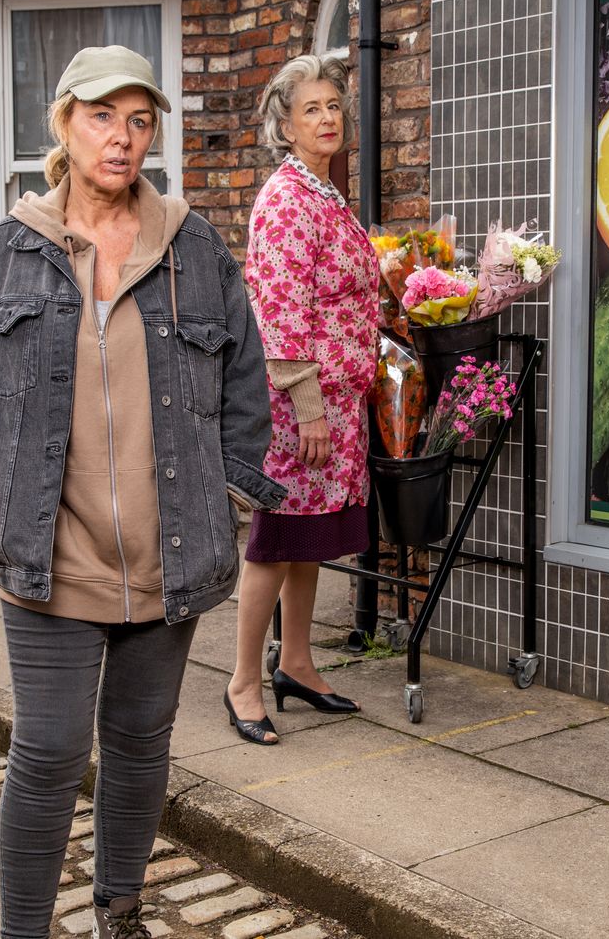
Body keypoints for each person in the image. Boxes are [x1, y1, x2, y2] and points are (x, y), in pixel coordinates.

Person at [0, 45, 283, 939]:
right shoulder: (7, 251)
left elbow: (246, 382)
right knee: (48, 750)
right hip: (50, 553)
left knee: (138, 747)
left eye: (138, 121)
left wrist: (231, 491)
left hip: (169, 555)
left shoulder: (192, 248)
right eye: (102, 117)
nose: (121, 139)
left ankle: (118, 908)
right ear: (63, 123)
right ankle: (24, 930)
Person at [225, 54, 379, 746]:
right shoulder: (287, 200)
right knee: (277, 538)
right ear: (284, 126)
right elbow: (280, 314)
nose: (326, 118)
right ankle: (243, 684)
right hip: (299, 403)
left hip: (338, 398)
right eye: (310, 109)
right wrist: (310, 406)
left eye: (333, 106)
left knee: (310, 537)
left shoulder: (325, 192)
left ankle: (295, 663)